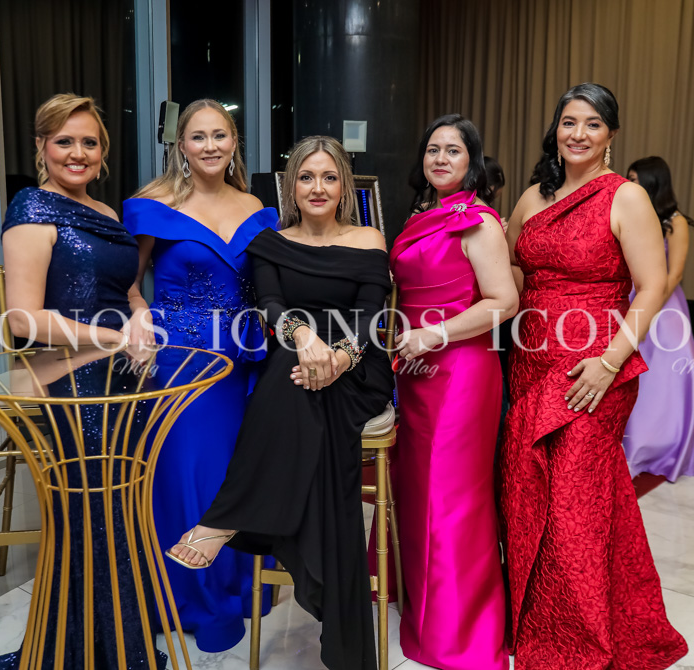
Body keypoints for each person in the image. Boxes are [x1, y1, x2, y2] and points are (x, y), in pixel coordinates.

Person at [167, 135, 394, 670]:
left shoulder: (368, 238)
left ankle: (225, 517)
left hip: (358, 367)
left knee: (290, 381)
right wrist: (304, 336)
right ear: (290, 186)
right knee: (291, 375)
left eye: (329, 177)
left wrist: (339, 357)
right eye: (306, 177)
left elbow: (370, 314)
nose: (318, 187)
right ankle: (325, 590)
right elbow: (270, 304)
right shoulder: (270, 242)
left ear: (344, 187)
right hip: (298, 357)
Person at [0, 93, 165, 670]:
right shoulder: (31, 210)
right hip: (73, 383)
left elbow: (128, 291)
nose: (77, 153)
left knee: (122, 515)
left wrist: (141, 317)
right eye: (64, 141)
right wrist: (113, 338)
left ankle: (116, 643)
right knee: (92, 518)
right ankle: (88, 651)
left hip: (126, 379)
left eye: (89, 142)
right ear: (41, 147)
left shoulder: (106, 212)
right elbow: (22, 319)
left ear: (103, 152)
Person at [501, 83, 688, 669]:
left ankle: (579, 645)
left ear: (611, 135)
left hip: (593, 367)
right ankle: (543, 622)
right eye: (568, 122)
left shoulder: (626, 197)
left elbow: (651, 287)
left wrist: (609, 364)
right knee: (530, 494)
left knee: (573, 505)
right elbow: (512, 268)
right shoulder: (534, 197)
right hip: (530, 362)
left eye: (592, 124)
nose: (578, 134)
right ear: (555, 129)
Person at [122, 99, 276, 652]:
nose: (210, 146)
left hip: (244, 359)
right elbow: (127, 281)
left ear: (234, 142)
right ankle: (192, 598)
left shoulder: (256, 206)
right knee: (190, 474)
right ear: (181, 145)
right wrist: (138, 312)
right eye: (198, 136)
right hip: (181, 361)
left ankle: (236, 586)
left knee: (236, 470)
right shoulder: (153, 205)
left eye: (220, 135)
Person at [388, 115, 518, 670]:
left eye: (453, 151)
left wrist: (433, 334)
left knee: (452, 499)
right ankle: (424, 607)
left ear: (472, 162)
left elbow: (503, 302)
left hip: (461, 372)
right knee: (418, 490)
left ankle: (460, 632)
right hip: (415, 370)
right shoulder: (421, 215)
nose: (441, 159)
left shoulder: (478, 222)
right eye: (433, 150)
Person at [622, 156, 694, 481]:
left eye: (634, 179)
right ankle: (629, 441)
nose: (628, 184)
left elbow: (675, 273)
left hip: (663, 306)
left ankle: (662, 446)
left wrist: (649, 309)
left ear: (652, 182)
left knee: (664, 376)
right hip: (629, 298)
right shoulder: (632, 215)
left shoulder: (675, 222)